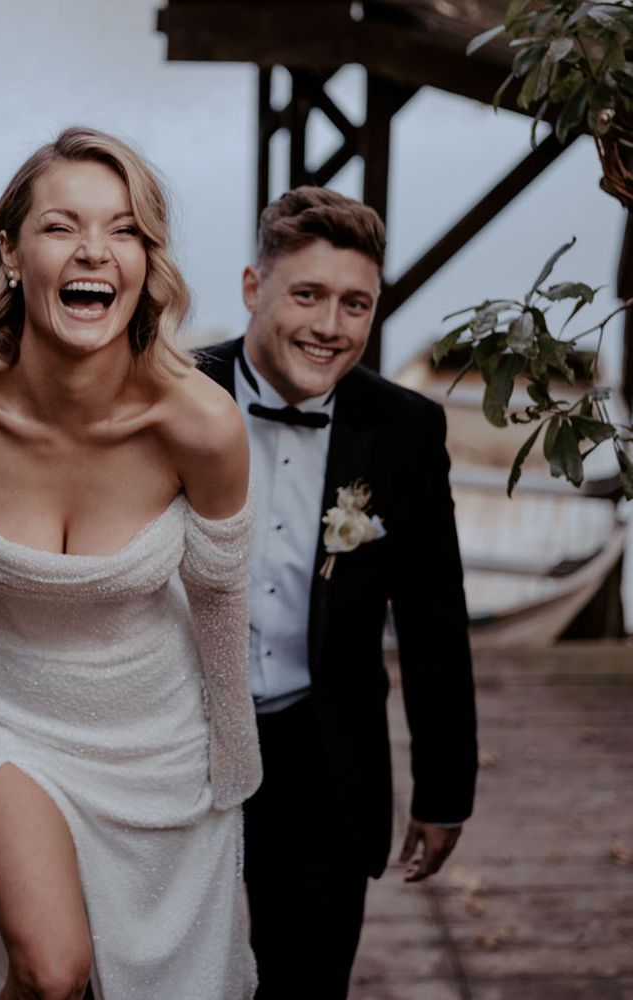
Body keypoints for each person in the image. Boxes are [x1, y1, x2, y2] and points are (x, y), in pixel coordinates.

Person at [0, 126, 261, 1000]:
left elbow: (217, 593)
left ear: (147, 262)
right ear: (11, 252)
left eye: (125, 229)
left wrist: (234, 749)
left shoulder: (201, 426)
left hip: (153, 733)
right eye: (61, 226)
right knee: (53, 971)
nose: (94, 251)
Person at [197, 186, 478, 999]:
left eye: (355, 304)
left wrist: (444, 790)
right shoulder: (171, 394)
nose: (330, 326)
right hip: (178, 743)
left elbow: (433, 622)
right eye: (307, 295)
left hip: (321, 756)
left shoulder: (406, 430)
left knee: (309, 982)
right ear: (254, 287)